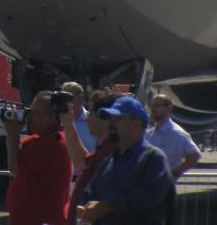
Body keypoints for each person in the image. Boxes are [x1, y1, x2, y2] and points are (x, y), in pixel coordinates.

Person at [78, 96, 175, 224]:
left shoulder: (153, 158)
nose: (110, 123)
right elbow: (89, 193)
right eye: (109, 119)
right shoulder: (110, 160)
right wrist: (85, 209)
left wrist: (107, 206)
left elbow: (148, 197)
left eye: (116, 119)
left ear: (136, 124)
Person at [4, 90, 72, 225]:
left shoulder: (52, 143)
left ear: (52, 117)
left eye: (35, 113)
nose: (29, 117)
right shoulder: (40, 140)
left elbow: (14, 167)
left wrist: (14, 132)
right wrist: (11, 132)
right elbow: (15, 152)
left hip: (43, 220)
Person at [60, 89, 117, 225]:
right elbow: (81, 161)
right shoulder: (105, 152)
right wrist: (68, 123)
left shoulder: (114, 154)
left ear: (105, 119)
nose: (88, 117)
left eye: (91, 112)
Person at [145, 93, 201, 178]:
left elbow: (194, 156)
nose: (153, 109)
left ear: (169, 107)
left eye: (157, 106)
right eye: (151, 106)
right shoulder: (149, 133)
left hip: (164, 187)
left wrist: (174, 174)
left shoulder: (177, 134)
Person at [62, 82, 97, 154]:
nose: (66, 101)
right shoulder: (60, 122)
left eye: (69, 97)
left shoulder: (93, 120)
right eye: (64, 98)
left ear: (80, 97)